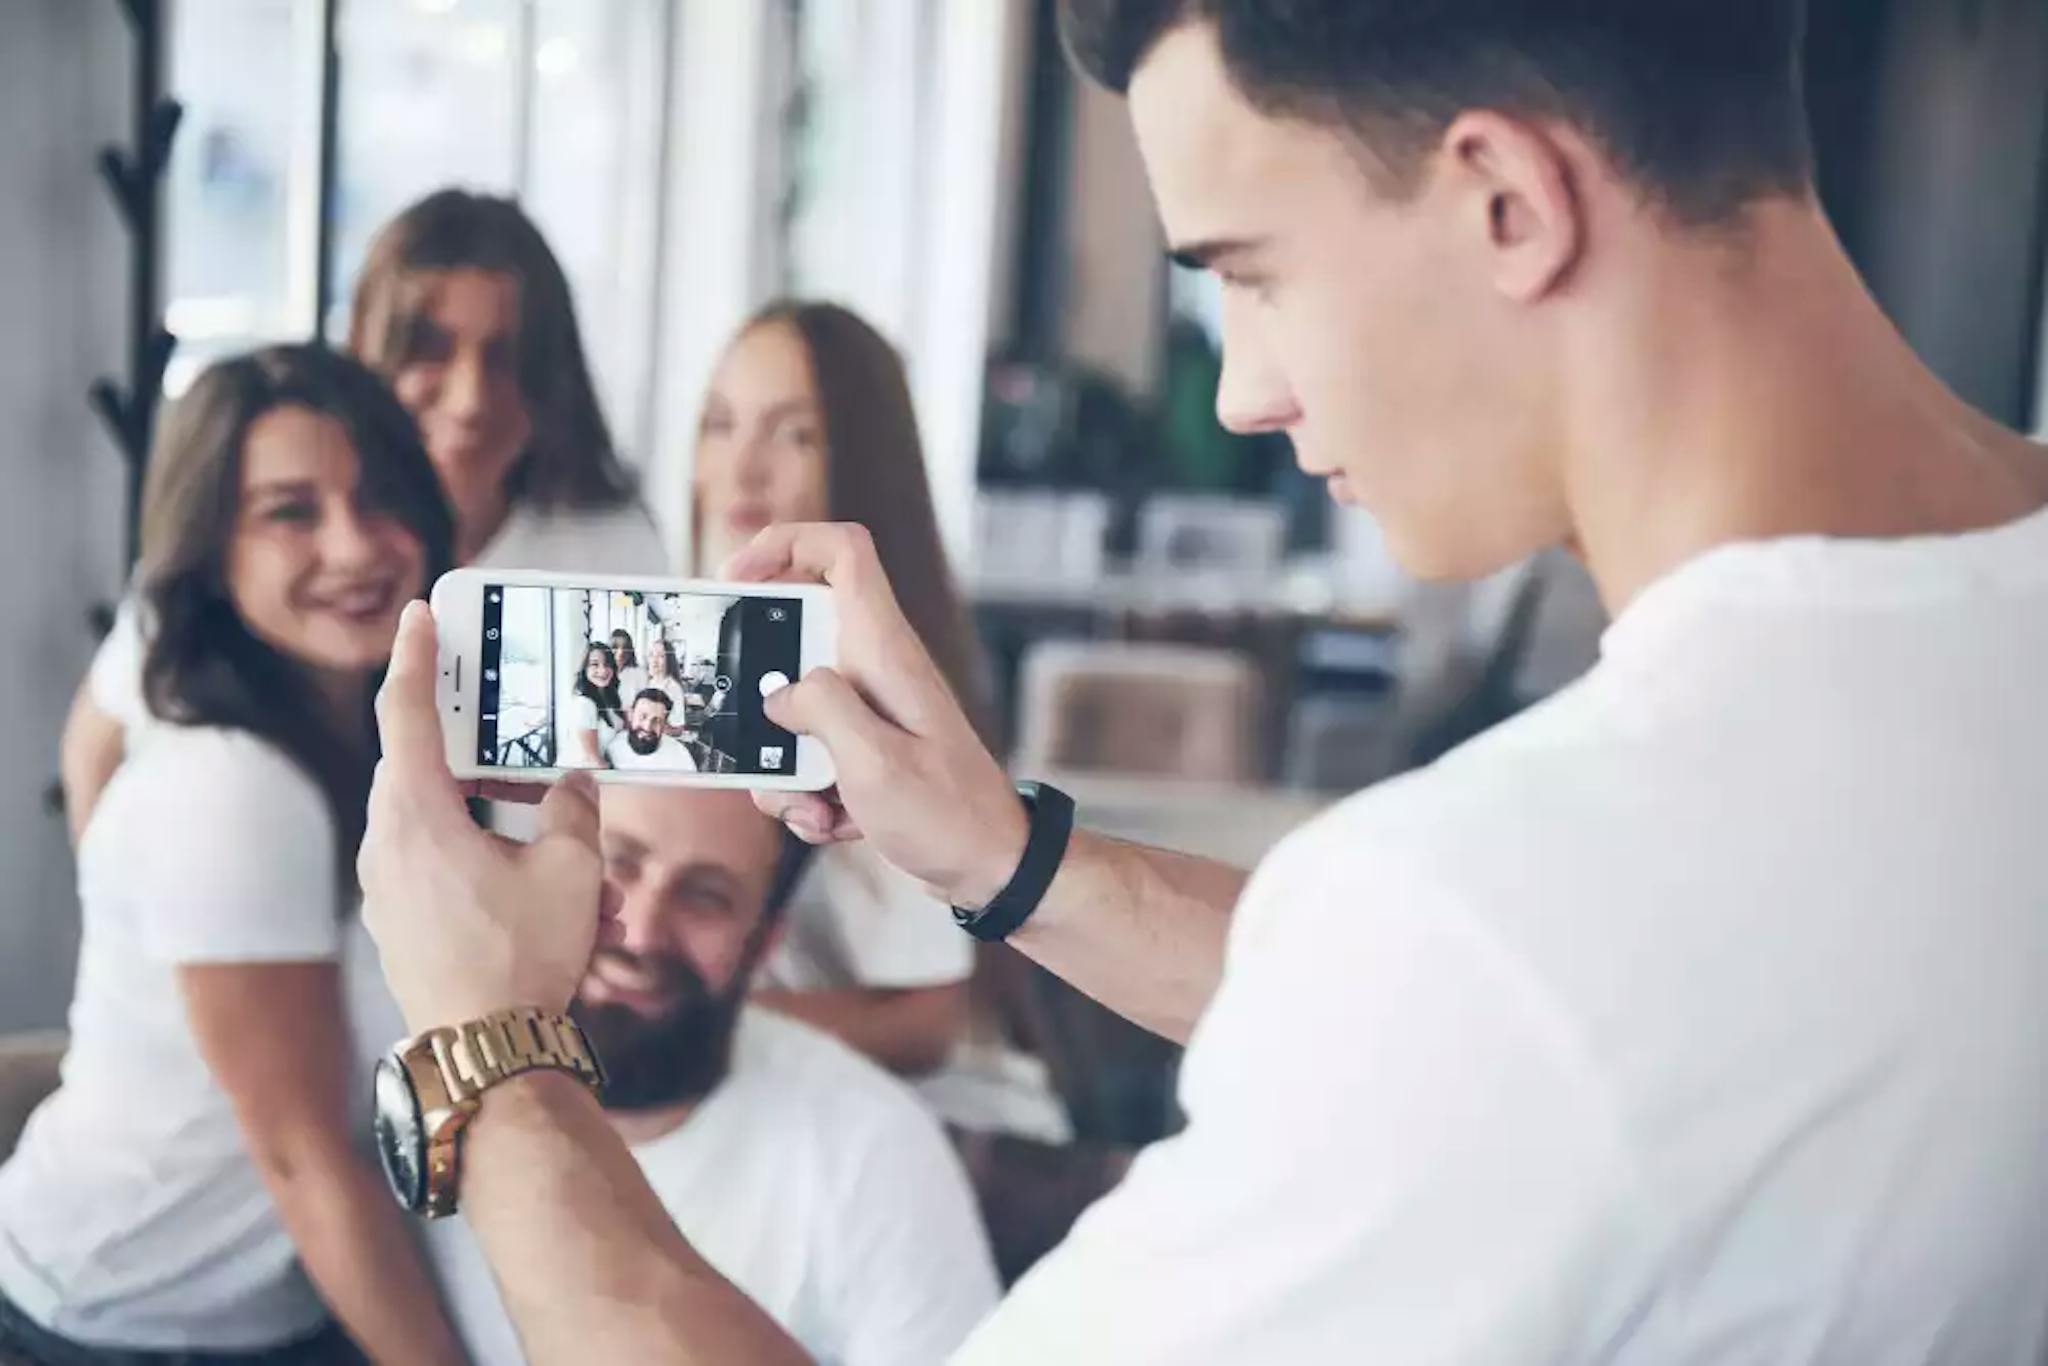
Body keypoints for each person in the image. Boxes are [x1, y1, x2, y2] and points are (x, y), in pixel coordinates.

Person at [356, 0, 2048, 1360]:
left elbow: (1480, 994)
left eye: (1245, 272)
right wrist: (999, 851)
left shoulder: (1501, 922)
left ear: (1504, 203)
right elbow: (1469, 1006)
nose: (1237, 388)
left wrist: (489, 1056)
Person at [0, 347, 465, 1363]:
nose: (352, 545)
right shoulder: (235, 790)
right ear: (211, 548)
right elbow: (302, 1159)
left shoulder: (368, 726)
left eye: (378, 496)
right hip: (113, 1317)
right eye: (290, 512)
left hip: (258, 1300)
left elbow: (88, 750)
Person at [61, 187, 668, 840]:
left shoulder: (609, 546)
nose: (468, 400)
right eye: (430, 350)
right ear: (366, 353)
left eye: (507, 359)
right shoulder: (242, 566)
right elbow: (93, 746)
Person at [423, 786, 997, 1365]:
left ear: (765, 940)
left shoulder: (875, 1151)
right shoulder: (442, 1087)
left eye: (705, 896)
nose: (642, 931)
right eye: (616, 864)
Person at [694, 303, 1063, 1137]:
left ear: (861, 460)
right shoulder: (700, 662)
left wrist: (697, 1031)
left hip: (938, 1127)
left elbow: (929, 1019)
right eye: (718, 425)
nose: (741, 467)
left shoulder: (885, 696)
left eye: (794, 435)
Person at [562, 642, 625, 768]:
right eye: (594, 665)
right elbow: (594, 759)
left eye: (607, 664)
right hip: (581, 774)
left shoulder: (609, 698)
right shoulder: (584, 705)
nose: (602, 670)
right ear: (584, 669)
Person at [606, 690, 697, 771]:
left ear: (664, 724)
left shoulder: (680, 756)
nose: (647, 727)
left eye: (656, 720)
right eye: (643, 716)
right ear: (631, 715)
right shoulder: (613, 747)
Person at [609, 629, 648, 701]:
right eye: (615, 647)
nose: (620, 652)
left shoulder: (639, 673)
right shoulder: (604, 673)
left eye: (625, 647)